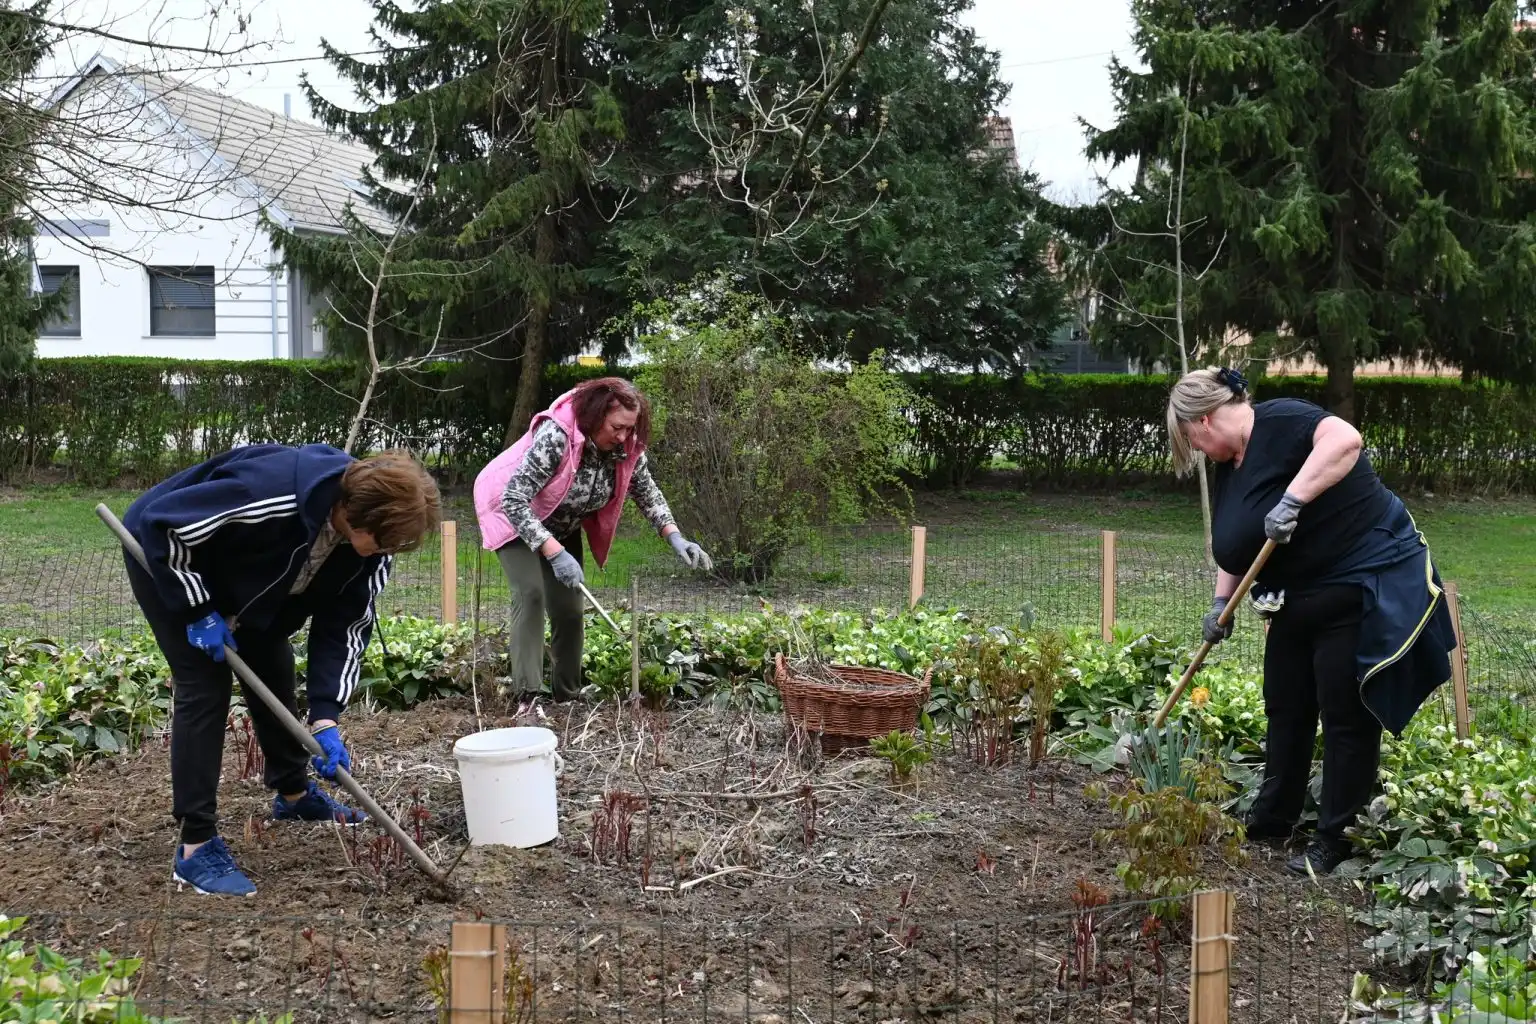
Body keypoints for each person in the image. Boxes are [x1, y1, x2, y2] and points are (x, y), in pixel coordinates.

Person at [1167, 367, 1457, 876]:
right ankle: (1273, 819)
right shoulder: (1229, 464)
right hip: (1293, 601)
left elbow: (1346, 440)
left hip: (1356, 588)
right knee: (1285, 705)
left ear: (1205, 420)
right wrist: (1221, 603)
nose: (1194, 448)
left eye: (1190, 438)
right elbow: (1236, 544)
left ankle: (1334, 840)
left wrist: (1293, 499)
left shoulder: (1282, 419)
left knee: (1344, 715)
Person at [123, 444, 441, 896]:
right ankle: (195, 846)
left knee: (273, 664)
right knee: (204, 686)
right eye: (385, 541)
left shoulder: (371, 551)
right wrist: (198, 609)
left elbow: (345, 627)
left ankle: (293, 795)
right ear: (354, 512)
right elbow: (166, 525)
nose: (387, 552)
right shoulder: (273, 493)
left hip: (252, 584)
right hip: (168, 558)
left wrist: (327, 716)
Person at [474, 377, 711, 702]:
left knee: (570, 608)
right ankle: (526, 698)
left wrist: (675, 536)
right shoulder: (557, 437)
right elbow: (514, 498)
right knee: (531, 594)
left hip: (561, 520)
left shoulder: (624, 447)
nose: (624, 436)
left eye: (630, 428)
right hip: (510, 511)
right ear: (597, 415)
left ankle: (567, 696)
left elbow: (645, 490)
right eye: (618, 427)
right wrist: (554, 552)